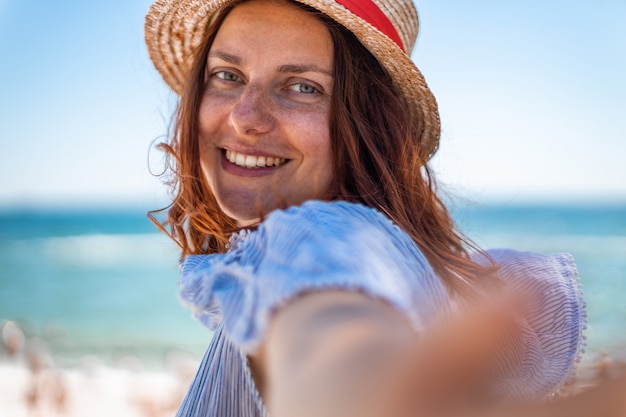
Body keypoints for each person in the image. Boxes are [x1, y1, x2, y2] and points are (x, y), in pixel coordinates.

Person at [144, 0, 624, 416]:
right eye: (227, 76)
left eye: (303, 87)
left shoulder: (319, 232)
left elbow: (333, 333)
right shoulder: (400, 250)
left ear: (368, 122)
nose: (245, 116)